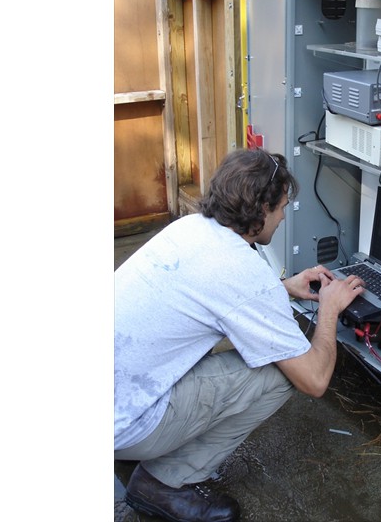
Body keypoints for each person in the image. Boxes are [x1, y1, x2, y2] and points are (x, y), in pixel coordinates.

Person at [114, 148, 365, 522]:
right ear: (261, 209)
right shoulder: (242, 270)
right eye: (281, 207)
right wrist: (329, 309)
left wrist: (282, 287)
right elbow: (314, 380)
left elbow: (222, 295)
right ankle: (164, 482)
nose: (282, 217)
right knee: (280, 373)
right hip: (125, 425)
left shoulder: (189, 228)